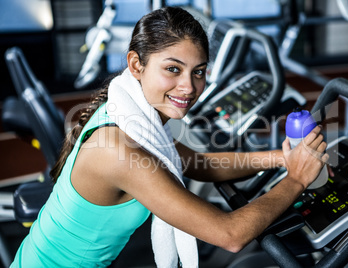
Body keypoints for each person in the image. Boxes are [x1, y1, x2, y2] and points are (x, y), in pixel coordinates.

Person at [10, 6, 328, 268]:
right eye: (173, 69)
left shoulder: (132, 114)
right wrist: (296, 180)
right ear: (136, 65)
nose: (189, 87)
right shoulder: (119, 149)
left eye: (198, 71)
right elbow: (229, 234)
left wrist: (281, 159)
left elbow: (197, 162)